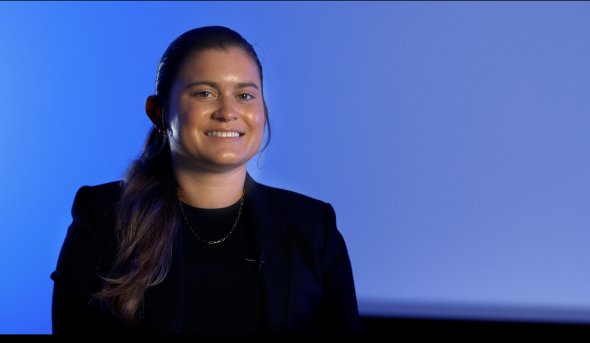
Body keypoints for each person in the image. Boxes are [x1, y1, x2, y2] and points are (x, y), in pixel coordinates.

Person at [51, 25, 361, 335]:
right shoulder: (103, 218)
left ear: (262, 110)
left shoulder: (312, 226)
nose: (228, 112)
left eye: (244, 95)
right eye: (204, 93)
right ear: (158, 112)